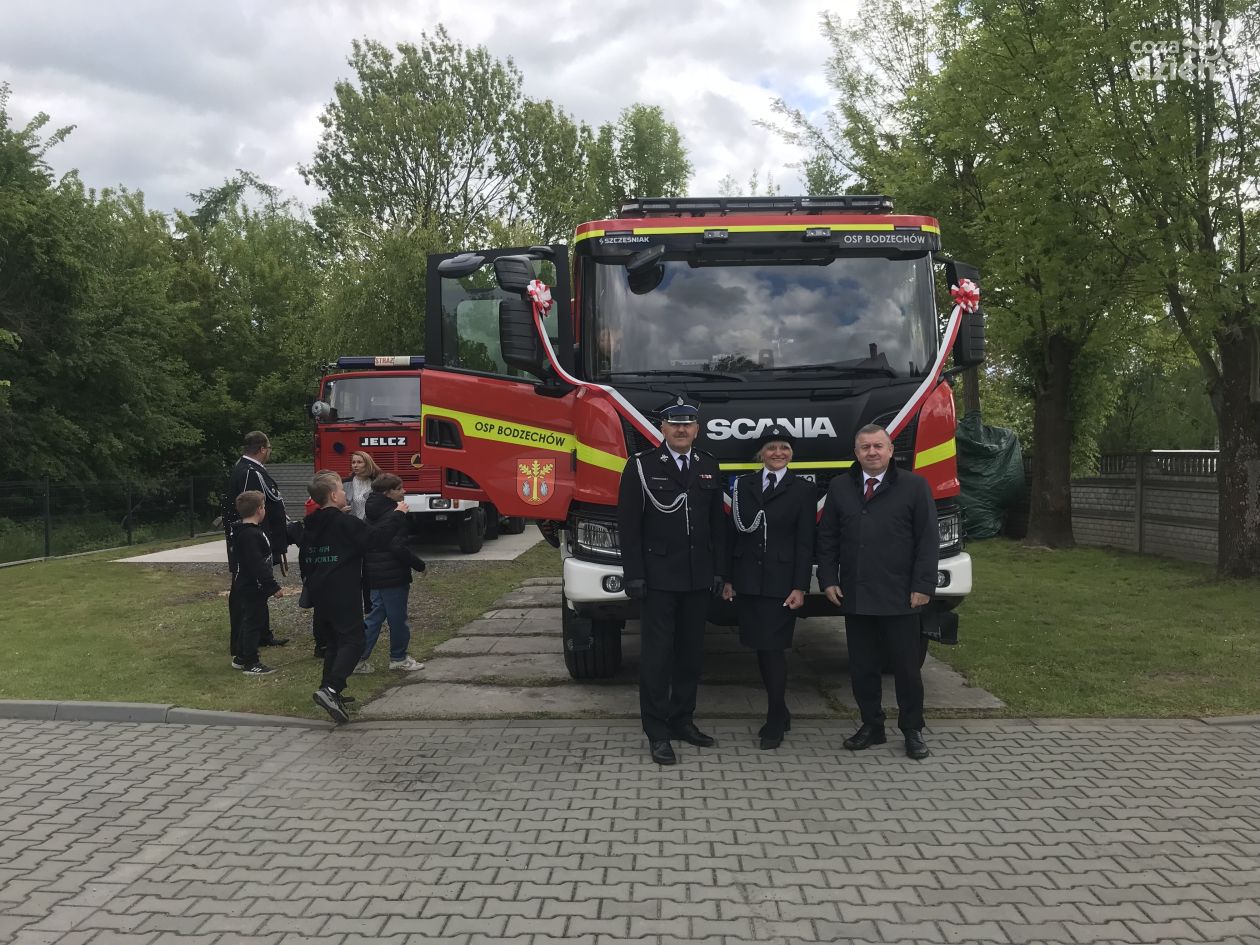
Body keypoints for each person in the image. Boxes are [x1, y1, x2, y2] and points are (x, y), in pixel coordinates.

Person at [816, 423, 938, 760]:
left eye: (878, 446)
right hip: (856, 594)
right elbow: (827, 538)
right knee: (862, 668)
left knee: (906, 670)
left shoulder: (914, 486)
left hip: (901, 595)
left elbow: (928, 541)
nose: (872, 452)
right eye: (865, 447)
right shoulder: (841, 486)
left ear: (890, 450)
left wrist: (922, 586)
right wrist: (828, 579)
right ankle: (872, 725)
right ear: (856, 453)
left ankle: (912, 730)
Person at [617, 399, 727, 766]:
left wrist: (718, 571)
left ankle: (683, 721)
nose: (681, 430)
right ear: (662, 429)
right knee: (656, 659)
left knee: (691, 656)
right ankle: (657, 731)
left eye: (688, 424)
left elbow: (717, 526)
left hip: (698, 579)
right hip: (659, 579)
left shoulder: (709, 466)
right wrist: (633, 574)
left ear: (697, 429)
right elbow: (629, 528)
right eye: (674, 424)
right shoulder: (641, 467)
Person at [721, 425, 816, 750]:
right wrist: (729, 578)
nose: (778, 453)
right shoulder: (743, 485)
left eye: (784, 448)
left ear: (791, 453)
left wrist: (800, 586)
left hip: (781, 581)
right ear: (761, 454)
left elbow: (805, 543)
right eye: (772, 448)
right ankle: (782, 710)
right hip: (747, 578)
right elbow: (734, 533)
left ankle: (775, 717)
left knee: (774, 648)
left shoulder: (802, 490)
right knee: (761, 647)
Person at [300, 471, 408, 724]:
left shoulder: (312, 523)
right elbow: (375, 539)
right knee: (354, 640)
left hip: (319, 589)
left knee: (334, 643)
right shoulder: (344, 522)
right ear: (332, 495)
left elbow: (306, 557)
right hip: (341, 588)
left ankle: (328, 690)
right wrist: (397, 515)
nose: (344, 493)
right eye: (340, 489)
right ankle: (332, 689)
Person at [222, 431, 290, 647]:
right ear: (262, 449)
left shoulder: (249, 469)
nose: (269, 453)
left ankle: (261, 634)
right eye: (268, 449)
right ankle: (243, 639)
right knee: (247, 588)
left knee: (258, 587)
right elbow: (248, 507)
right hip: (252, 540)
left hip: (258, 538)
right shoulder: (249, 472)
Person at [356, 474, 427, 675]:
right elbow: (396, 546)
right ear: (388, 493)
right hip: (393, 573)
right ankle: (399, 657)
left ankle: (358, 657)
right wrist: (419, 564)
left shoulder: (370, 511)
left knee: (375, 615)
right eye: (399, 488)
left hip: (375, 572)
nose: (404, 491)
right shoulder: (395, 514)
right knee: (397, 618)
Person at [229, 490, 286, 676]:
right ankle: (251, 662)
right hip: (252, 585)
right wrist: (272, 586)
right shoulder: (250, 535)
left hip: (250, 584)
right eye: (264, 506)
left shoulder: (247, 532)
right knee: (253, 622)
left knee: (251, 620)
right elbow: (256, 564)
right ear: (259, 509)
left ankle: (241, 657)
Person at [344, 451, 381, 521]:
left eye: (359, 462)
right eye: (353, 462)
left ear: (367, 464)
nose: (355, 465)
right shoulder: (345, 483)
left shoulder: (377, 483)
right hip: (351, 525)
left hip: (371, 525)